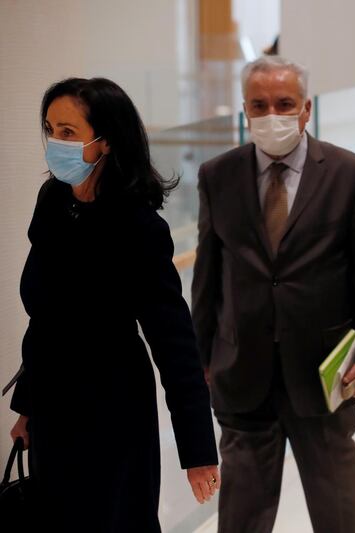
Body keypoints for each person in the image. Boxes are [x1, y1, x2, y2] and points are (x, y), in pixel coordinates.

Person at [7, 77, 219, 532]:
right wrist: (28, 406)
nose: (55, 143)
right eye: (50, 129)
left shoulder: (137, 226)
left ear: (105, 142)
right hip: (53, 409)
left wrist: (197, 452)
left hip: (113, 412)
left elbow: (175, 343)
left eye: (68, 132)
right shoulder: (52, 203)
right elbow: (43, 317)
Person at [191, 56, 355, 533]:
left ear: (306, 109)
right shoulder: (218, 175)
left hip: (324, 375)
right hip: (242, 373)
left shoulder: (349, 173)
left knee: (342, 517)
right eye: (260, 104)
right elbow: (207, 276)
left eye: (285, 103)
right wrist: (201, 356)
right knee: (242, 518)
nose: (272, 114)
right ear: (245, 110)